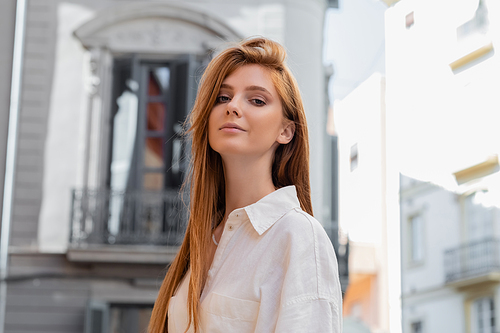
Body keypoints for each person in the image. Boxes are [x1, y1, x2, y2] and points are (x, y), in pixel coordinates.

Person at [148, 37, 342, 333]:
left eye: (257, 100)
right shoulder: (204, 240)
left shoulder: (298, 237)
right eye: (223, 98)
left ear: (286, 131)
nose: (233, 107)